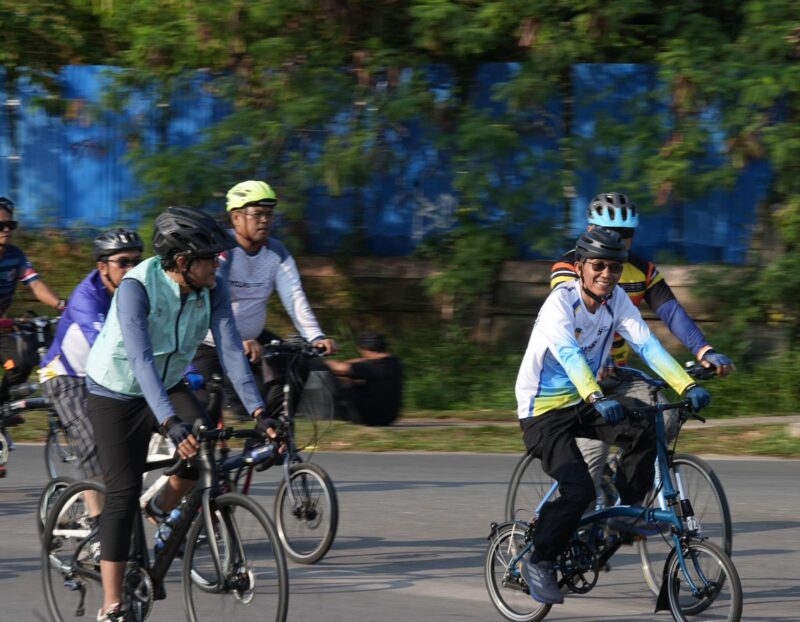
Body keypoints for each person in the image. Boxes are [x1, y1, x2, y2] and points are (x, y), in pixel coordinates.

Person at [84, 206, 273, 622]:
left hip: (167, 381)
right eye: (210, 258)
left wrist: (261, 410)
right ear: (183, 262)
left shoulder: (212, 287)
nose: (219, 264)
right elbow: (139, 360)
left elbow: (229, 349)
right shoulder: (138, 287)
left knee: (203, 440)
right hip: (116, 389)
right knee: (121, 494)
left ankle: (160, 509)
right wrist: (169, 423)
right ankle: (112, 604)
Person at [515, 226, 710, 605]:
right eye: (599, 266)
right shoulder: (560, 302)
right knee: (579, 491)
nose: (607, 275)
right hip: (543, 413)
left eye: (615, 268)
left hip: (583, 403)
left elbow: (647, 345)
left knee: (647, 425)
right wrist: (593, 394)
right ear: (581, 266)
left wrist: (685, 386)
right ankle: (538, 561)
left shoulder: (616, 300)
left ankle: (624, 510)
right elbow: (569, 355)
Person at [550, 192, 735, 495]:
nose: (620, 241)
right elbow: (568, 323)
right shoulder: (570, 268)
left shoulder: (642, 271)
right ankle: (554, 526)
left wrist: (705, 350)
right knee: (590, 459)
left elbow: (672, 312)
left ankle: (624, 490)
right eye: (611, 233)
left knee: (664, 412)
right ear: (589, 231)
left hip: (618, 374)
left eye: (627, 234)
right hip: (575, 379)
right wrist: (596, 360)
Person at [192, 180, 335, 419]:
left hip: (253, 339)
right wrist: (237, 339)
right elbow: (215, 299)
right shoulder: (221, 250)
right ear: (236, 217)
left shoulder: (276, 252)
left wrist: (315, 336)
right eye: (257, 214)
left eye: (269, 215)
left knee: (298, 361)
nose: (265, 221)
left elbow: (294, 296)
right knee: (202, 416)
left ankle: (272, 432)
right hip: (208, 341)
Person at [39, 228, 144, 523]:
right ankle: (98, 527)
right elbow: (106, 350)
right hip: (65, 376)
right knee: (95, 440)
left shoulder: (137, 290)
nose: (132, 269)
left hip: (106, 376)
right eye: (123, 262)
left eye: (137, 261)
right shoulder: (87, 297)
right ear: (102, 267)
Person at [0, 196, 67, 404]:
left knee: (23, 357)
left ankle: (2, 408)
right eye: (1, 225)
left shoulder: (16, 255)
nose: (7, 230)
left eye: (11, 225)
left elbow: (36, 285)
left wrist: (63, 306)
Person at [326, 331, 403, 426]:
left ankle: (319, 413)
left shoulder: (368, 367)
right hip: (388, 417)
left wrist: (327, 361)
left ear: (364, 349)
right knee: (351, 380)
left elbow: (338, 368)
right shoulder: (395, 363)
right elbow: (362, 363)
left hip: (366, 417)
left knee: (334, 379)